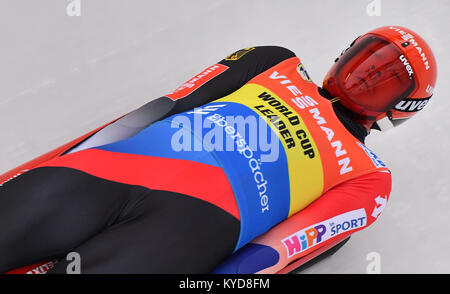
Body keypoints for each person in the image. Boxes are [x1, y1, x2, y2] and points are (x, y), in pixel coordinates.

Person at [0, 25, 437, 274]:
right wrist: (64, 162)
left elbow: (278, 253)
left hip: (179, 235)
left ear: (399, 109)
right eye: (366, 60)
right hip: (110, 172)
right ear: (345, 53)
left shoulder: (370, 177)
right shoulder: (274, 60)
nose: (364, 78)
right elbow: (163, 108)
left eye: (384, 81)